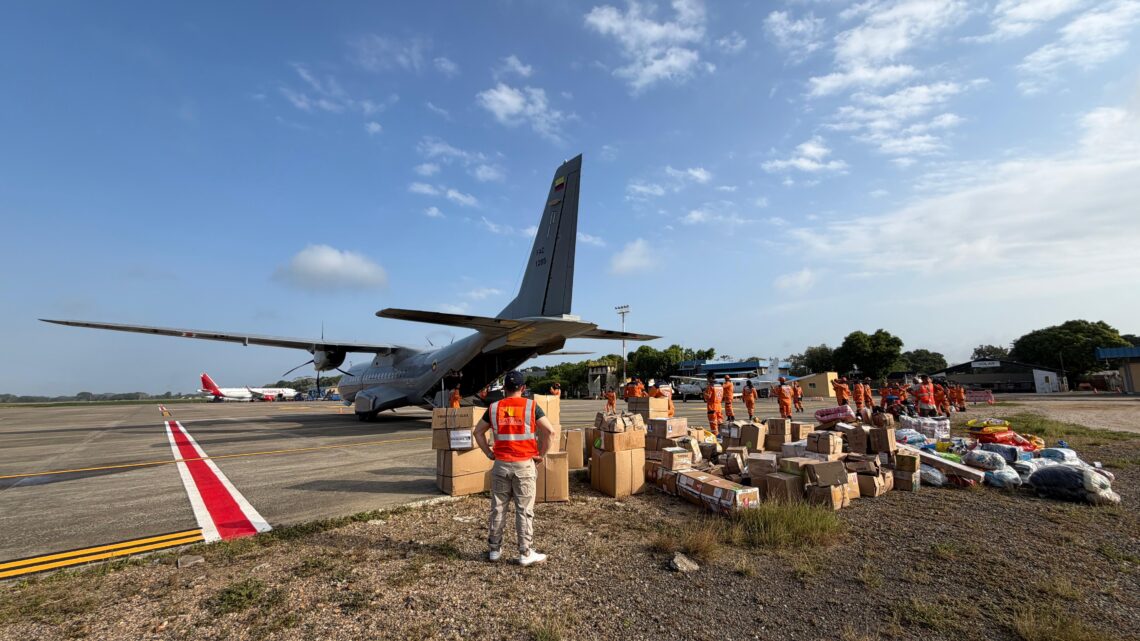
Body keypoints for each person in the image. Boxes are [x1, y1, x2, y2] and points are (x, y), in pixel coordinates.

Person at [472, 370, 555, 566]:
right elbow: (550, 432)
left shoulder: (493, 408)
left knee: (498, 508)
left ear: (504, 389)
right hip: (524, 465)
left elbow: (478, 432)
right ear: (523, 388)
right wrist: (541, 455)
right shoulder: (531, 406)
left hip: (501, 465)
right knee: (523, 510)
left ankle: (494, 549)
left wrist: (489, 453)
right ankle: (525, 552)